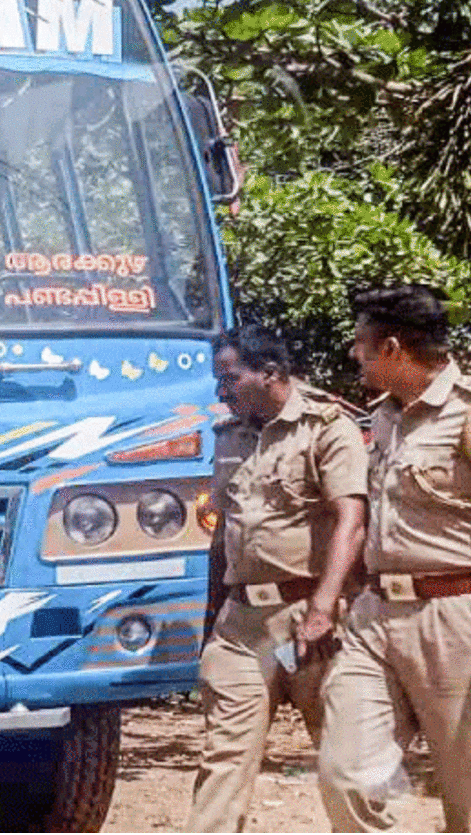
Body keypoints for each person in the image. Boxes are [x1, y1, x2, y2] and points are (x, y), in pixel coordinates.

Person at [316, 285, 471, 832]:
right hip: (376, 618)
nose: (355, 355)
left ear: (393, 348)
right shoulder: (384, 419)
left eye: (361, 345)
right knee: (345, 774)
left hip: (460, 620)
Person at [185, 324, 368, 833]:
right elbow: (221, 538)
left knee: (344, 764)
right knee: (223, 759)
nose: (221, 390)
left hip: (312, 622)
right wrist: (210, 624)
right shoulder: (230, 437)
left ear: (271, 374)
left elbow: (351, 522)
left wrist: (322, 611)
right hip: (242, 626)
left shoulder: (327, 427)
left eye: (230, 377)